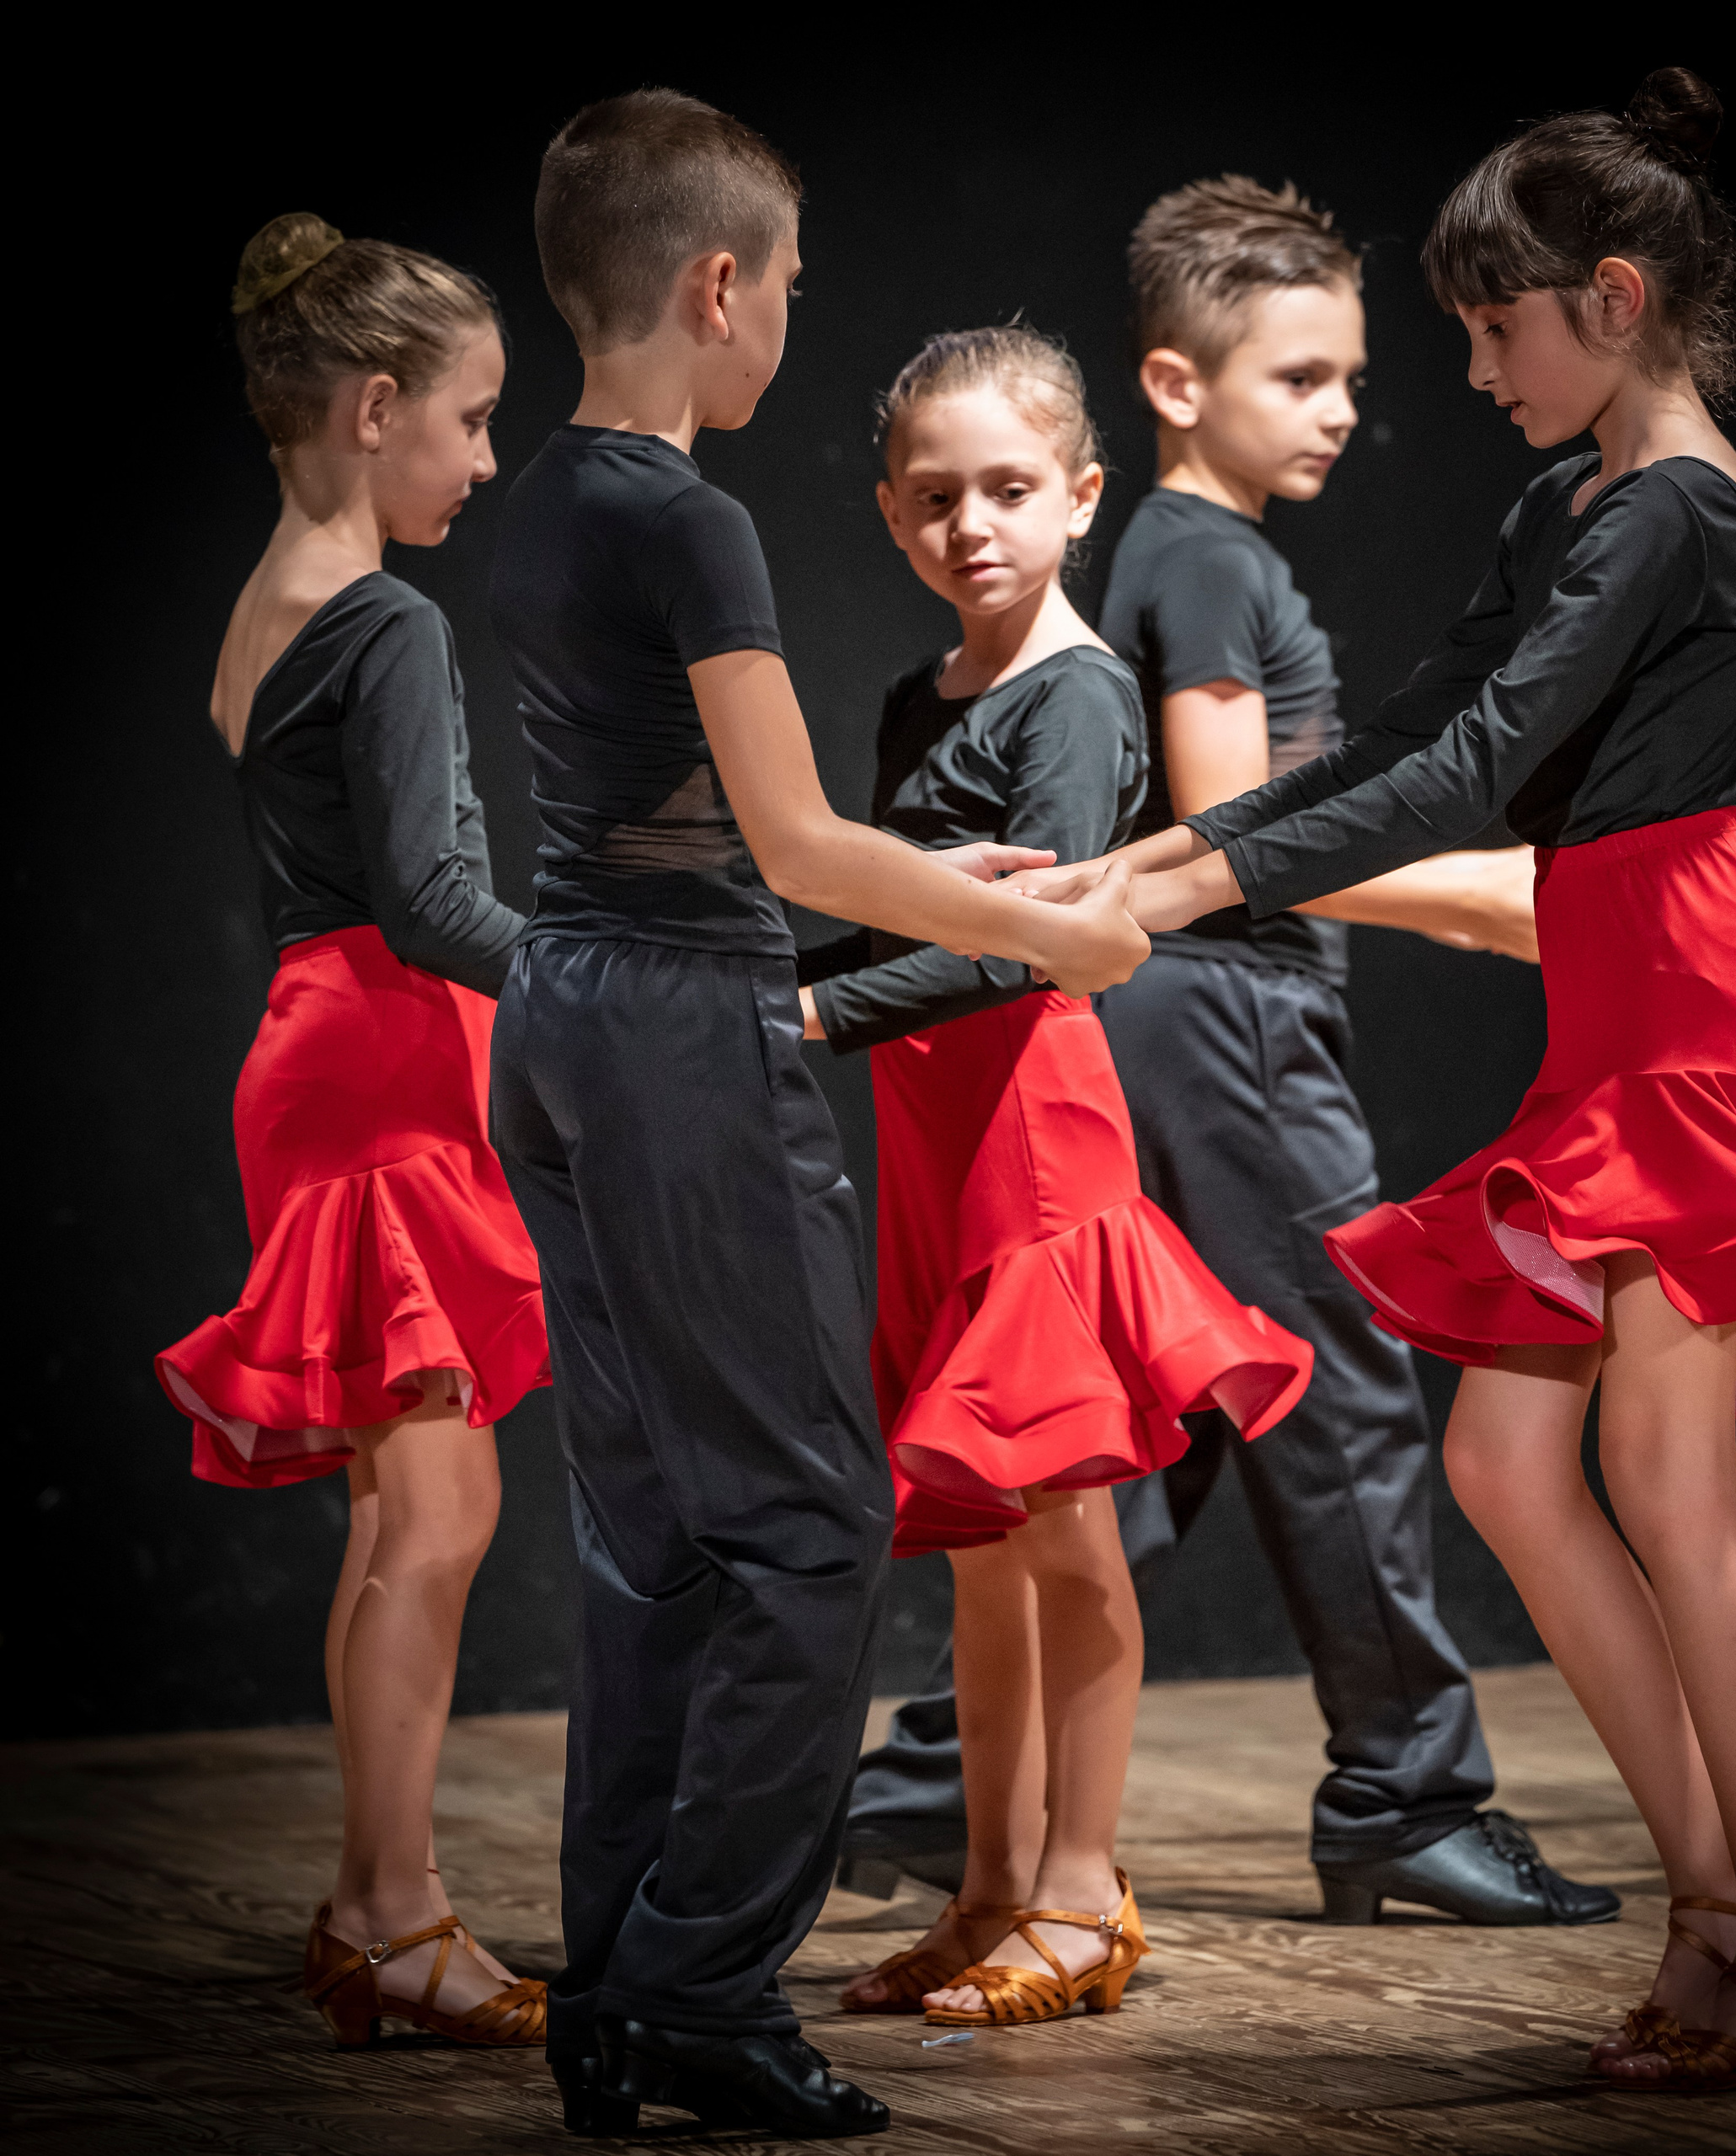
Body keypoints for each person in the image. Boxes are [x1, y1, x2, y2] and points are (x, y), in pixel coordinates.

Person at [1021, 70, 1736, 2092]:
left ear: (1617, 299)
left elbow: (1471, 779)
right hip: (1620, 990)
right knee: (1500, 1465)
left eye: (1496, 327)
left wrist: (1200, 878)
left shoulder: (1678, 502)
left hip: (1690, 986)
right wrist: (1148, 858)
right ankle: (1734, 1912)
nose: (1471, 371)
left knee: (1660, 1475)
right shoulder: (1572, 496)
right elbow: (1410, 715)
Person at [484, 93, 1147, 2139]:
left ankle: (615, 1978)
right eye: (780, 283)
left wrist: (966, 898)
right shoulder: (689, 517)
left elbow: (731, 835)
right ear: (716, 287)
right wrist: (1052, 939)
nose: (782, 310)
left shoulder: (527, 497)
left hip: (558, 1010)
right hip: (680, 1016)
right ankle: (695, 1986)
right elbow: (789, 843)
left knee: (655, 1531)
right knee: (805, 1516)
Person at [848, 178, 1618, 1934]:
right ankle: (1404, 1790)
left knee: (1175, 1414)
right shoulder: (1202, 559)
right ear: (1178, 390)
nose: (1342, 408)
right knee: (1334, 1396)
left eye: (1349, 374)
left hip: (1195, 1026)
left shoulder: (1192, 558)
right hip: (1231, 1023)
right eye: (1298, 375)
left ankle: (941, 1765)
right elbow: (1230, 828)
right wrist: (1490, 897)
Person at [799, 327, 1311, 2026]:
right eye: (934, 497)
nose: (972, 526)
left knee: (1064, 1516)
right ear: (888, 512)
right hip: (930, 1140)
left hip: (1033, 1133)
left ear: (1081, 495)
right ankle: (989, 1886)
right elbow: (906, 916)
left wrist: (808, 1007)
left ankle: (1083, 1891)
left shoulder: (1083, 694)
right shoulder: (909, 699)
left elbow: (1030, 954)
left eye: (1009, 489)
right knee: (981, 1537)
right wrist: (786, 965)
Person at [156, 215, 551, 2050]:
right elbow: (434, 904)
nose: (480, 462)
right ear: (376, 404)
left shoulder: (260, 606)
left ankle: (368, 1898)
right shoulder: (382, 615)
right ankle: (388, 1905)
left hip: (320, 1051)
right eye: (468, 421)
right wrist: (625, 981)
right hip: (385, 1053)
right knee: (437, 1504)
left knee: (398, 1508)